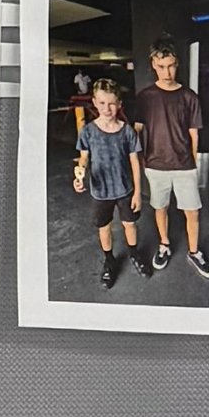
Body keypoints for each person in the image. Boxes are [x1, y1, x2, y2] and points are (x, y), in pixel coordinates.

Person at [137, 44, 209, 282]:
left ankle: (194, 252)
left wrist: (191, 163)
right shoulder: (145, 97)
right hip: (155, 164)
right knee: (160, 208)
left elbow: (194, 134)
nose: (167, 72)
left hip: (184, 165)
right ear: (154, 65)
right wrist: (138, 160)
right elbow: (136, 130)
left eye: (171, 66)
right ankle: (164, 245)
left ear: (177, 64)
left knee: (193, 212)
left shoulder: (189, 96)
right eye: (161, 67)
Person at [73, 78, 142, 286]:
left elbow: (135, 162)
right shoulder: (88, 131)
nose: (107, 108)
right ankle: (109, 260)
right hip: (100, 191)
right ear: (94, 102)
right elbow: (84, 158)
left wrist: (138, 192)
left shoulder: (127, 131)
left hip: (124, 188)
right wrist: (80, 174)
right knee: (104, 227)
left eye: (112, 103)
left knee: (130, 224)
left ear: (119, 104)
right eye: (102, 103)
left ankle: (134, 254)